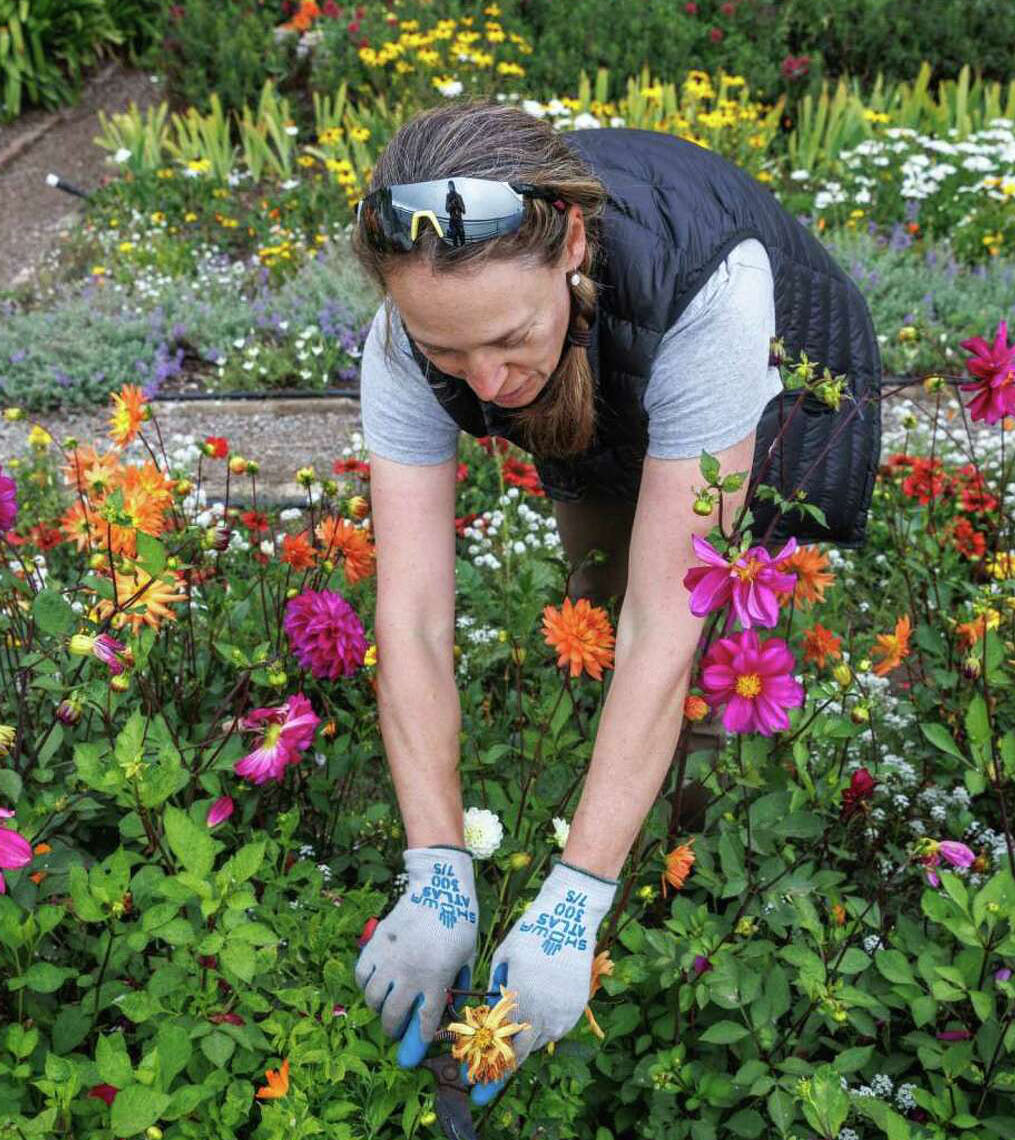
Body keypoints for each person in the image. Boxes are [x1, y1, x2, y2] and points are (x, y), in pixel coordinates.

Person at [344, 100, 882, 1104]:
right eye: (447, 354)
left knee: (710, 644)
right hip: (602, 365)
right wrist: (436, 863)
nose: (489, 385)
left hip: (778, 369)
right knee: (593, 589)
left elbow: (658, 626)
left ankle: (692, 859)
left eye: (508, 339)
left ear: (572, 247)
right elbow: (412, 618)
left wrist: (572, 905)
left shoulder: (715, 291)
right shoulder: (410, 337)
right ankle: (616, 824)